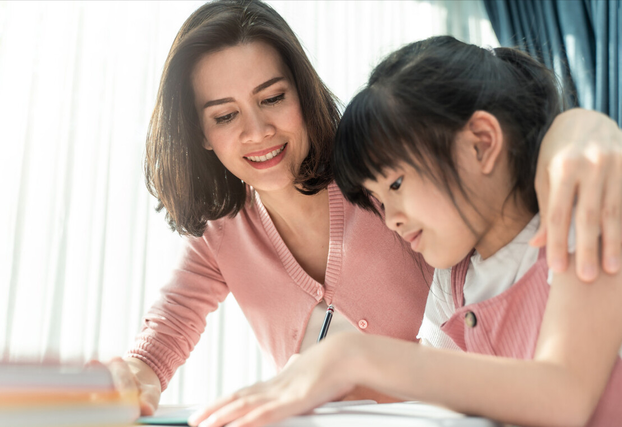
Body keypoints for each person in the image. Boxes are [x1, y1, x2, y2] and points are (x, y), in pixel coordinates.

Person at [114, 0, 622, 417]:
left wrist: (576, 129)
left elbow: (558, 392)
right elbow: (169, 326)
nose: (257, 131)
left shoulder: (387, 190)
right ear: (200, 132)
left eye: (272, 98)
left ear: (302, 92)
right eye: (224, 115)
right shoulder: (223, 233)